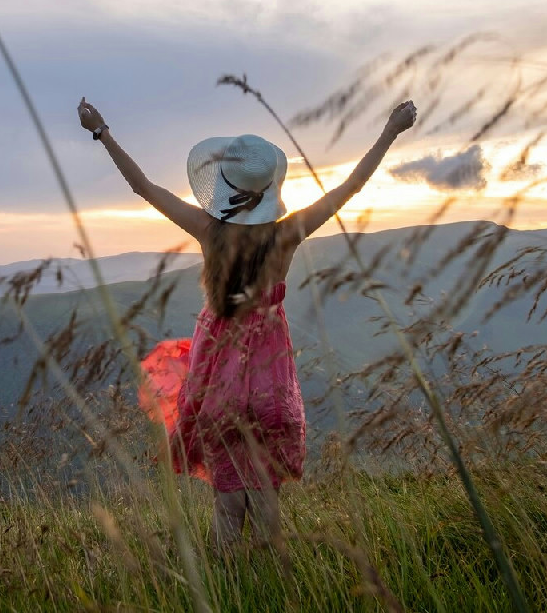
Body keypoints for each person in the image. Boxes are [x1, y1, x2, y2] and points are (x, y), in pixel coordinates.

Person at [77, 96, 417, 547]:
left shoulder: (209, 231)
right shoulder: (287, 235)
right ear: (269, 188)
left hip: (217, 377)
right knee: (265, 492)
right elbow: (350, 186)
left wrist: (101, 130)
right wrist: (392, 129)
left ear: (224, 184)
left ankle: (227, 582)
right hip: (269, 379)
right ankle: (268, 585)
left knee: (228, 495)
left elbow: (144, 187)